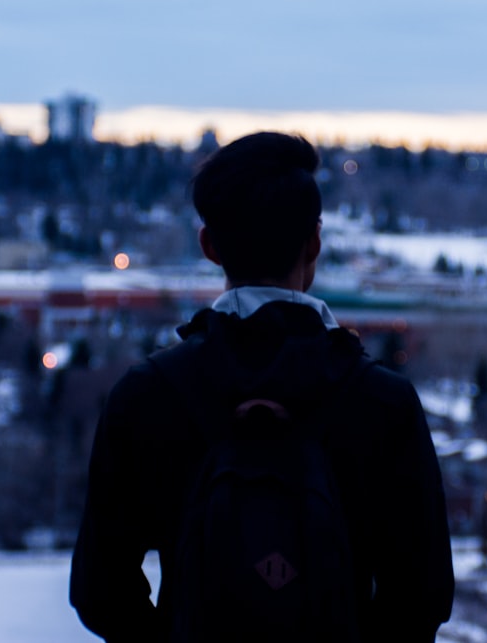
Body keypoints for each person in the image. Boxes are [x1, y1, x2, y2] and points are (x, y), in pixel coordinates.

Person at [69, 131, 455, 641]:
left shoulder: (147, 396)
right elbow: (422, 595)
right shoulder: (383, 402)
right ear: (314, 242)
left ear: (209, 246)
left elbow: (99, 589)